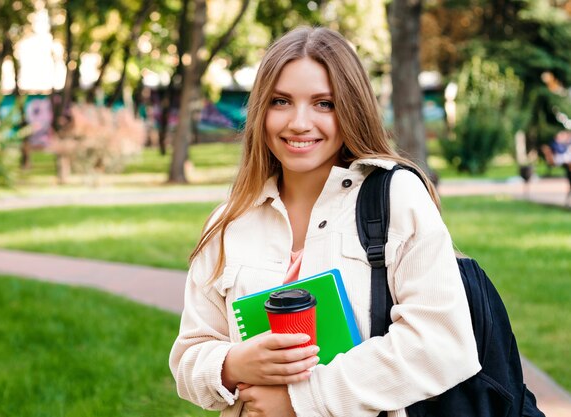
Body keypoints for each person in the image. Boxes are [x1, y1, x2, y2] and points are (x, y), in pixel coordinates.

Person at [169, 26, 480, 417]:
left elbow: (441, 342)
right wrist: (232, 365)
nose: (299, 123)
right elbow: (188, 357)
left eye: (324, 104)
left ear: (351, 108)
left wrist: (300, 401)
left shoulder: (397, 197)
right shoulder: (228, 222)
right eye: (281, 101)